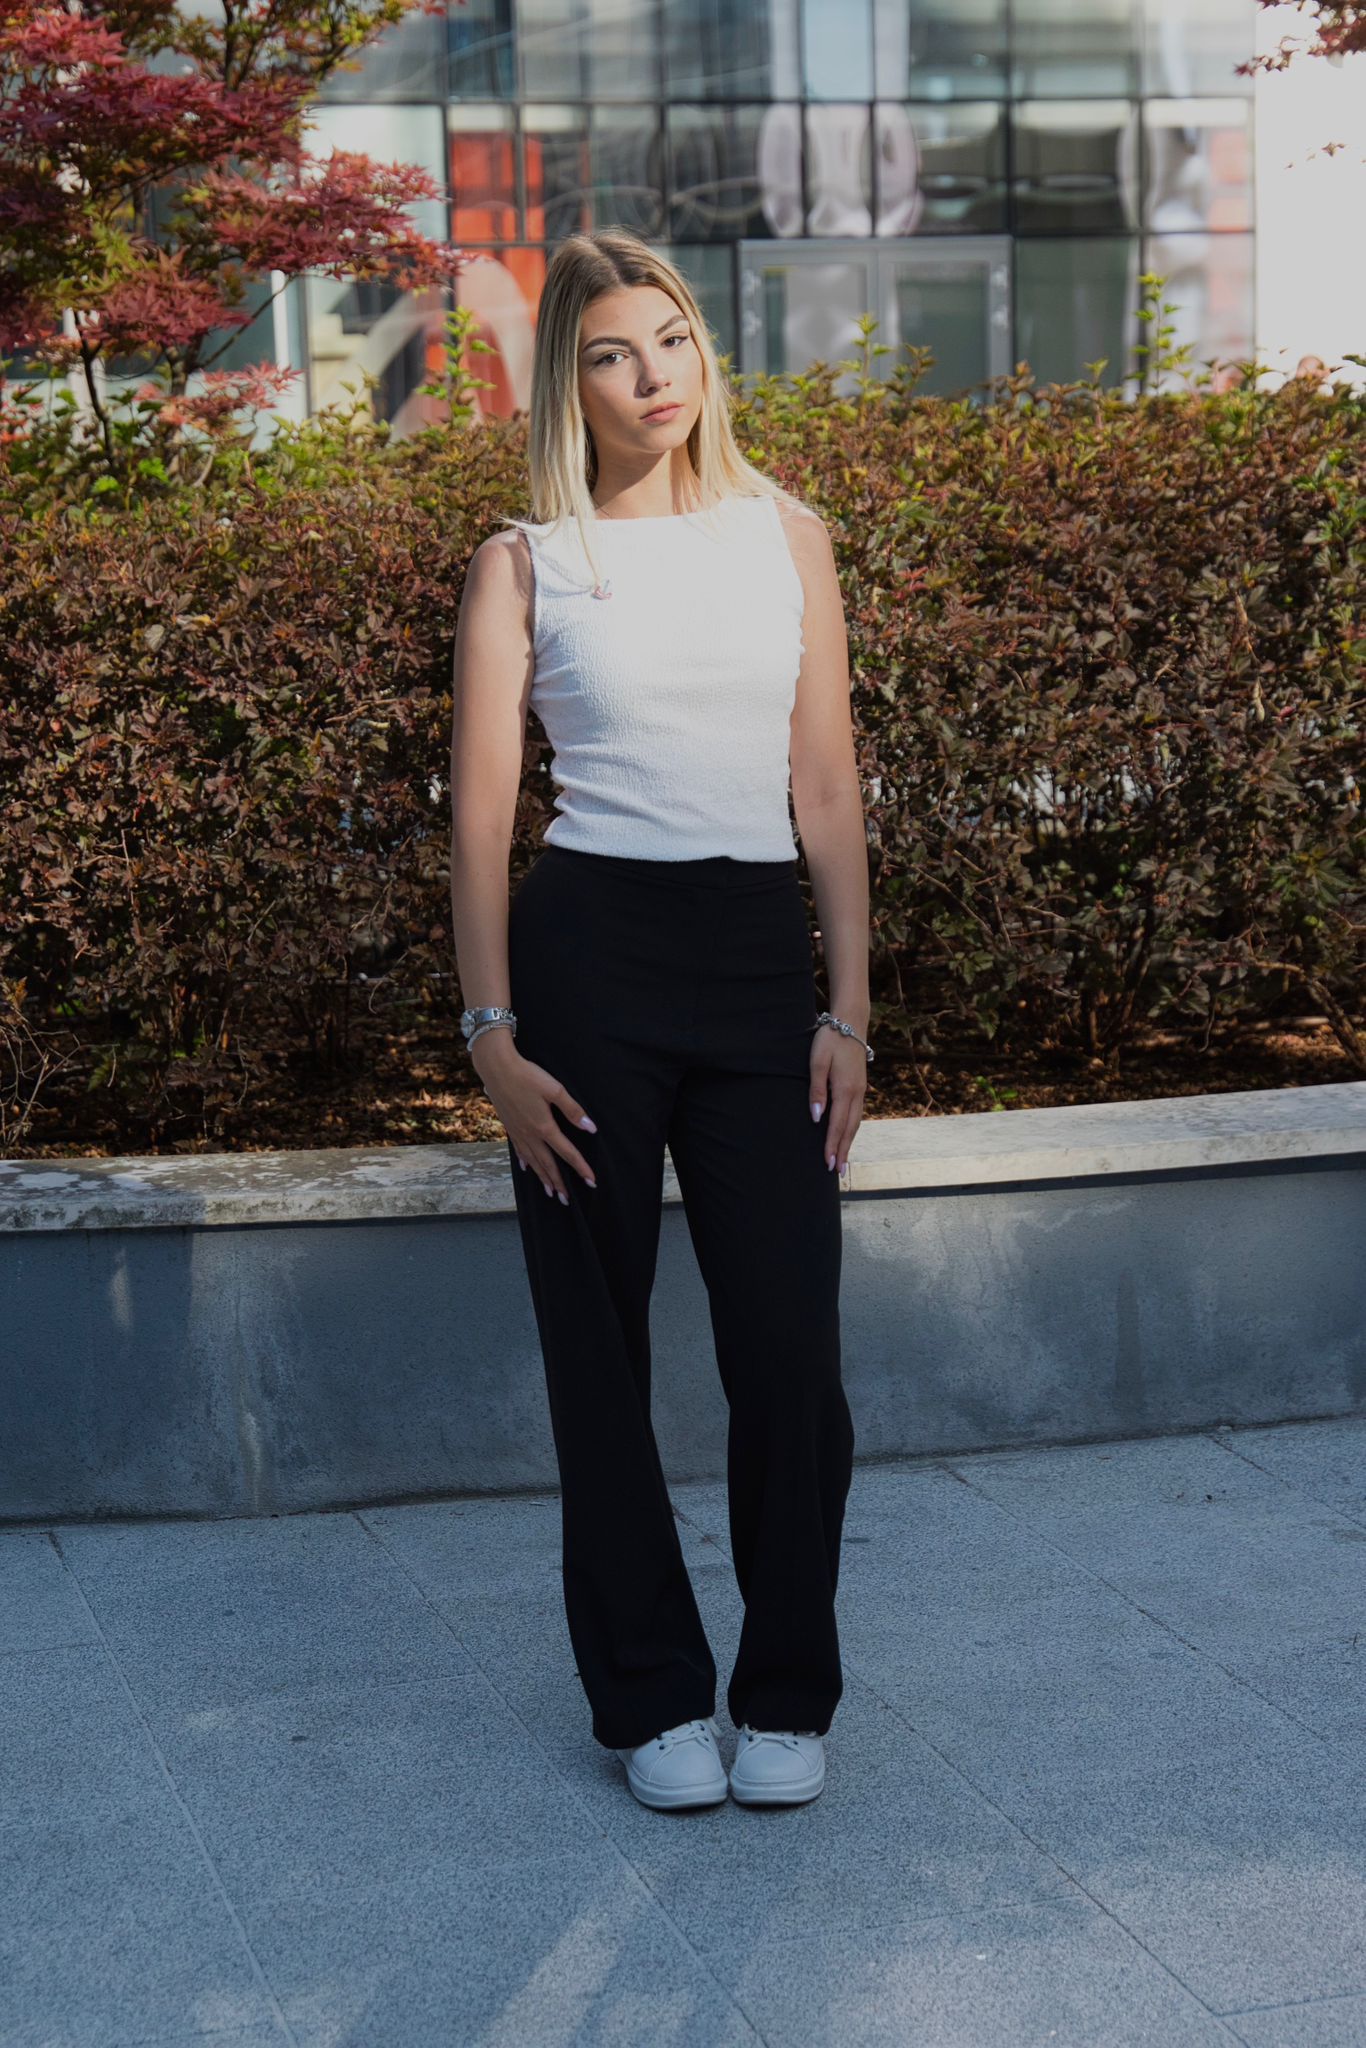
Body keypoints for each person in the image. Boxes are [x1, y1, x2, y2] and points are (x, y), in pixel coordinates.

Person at [447, 227, 870, 1813]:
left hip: (763, 963)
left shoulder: (787, 534)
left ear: (706, 353)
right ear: (569, 376)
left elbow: (823, 786)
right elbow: (482, 815)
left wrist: (850, 1015)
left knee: (790, 1353)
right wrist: (491, 1039)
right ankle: (648, 1700)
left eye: (674, 340)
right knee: (596, 1355)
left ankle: (785, 1691)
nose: (653, 378)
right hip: (587, 964)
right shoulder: (526, 559)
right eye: (615, 353)